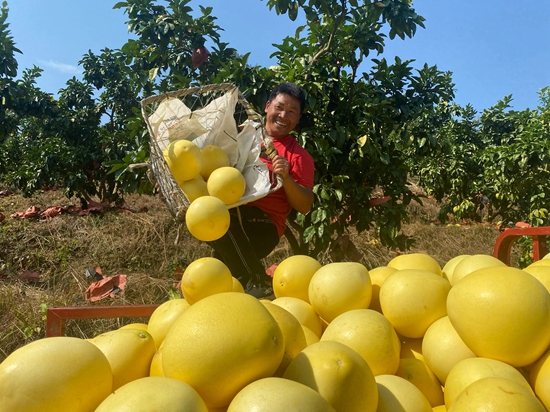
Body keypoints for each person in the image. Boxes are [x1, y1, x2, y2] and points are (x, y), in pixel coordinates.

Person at [208, 82, 315, 299]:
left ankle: (255, 279)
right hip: (232, 219)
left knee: (217, 216)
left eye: (292, 112)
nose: (284, 115)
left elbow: (304, 206)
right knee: (219, 279)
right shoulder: (241, 136)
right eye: (280, 107)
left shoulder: (298, 156)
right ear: (267, 107)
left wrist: (286, 177)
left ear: (298, 119)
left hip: (264, 226)